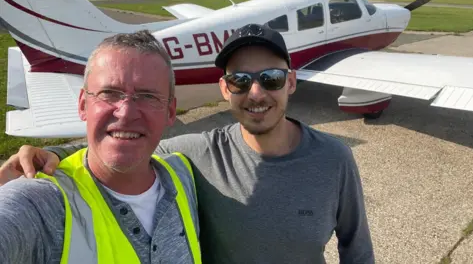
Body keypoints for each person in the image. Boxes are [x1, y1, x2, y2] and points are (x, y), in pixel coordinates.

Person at [0, 23, 374, 263]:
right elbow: (124, 146)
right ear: (225, 89)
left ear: (291, 82)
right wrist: (54, 154)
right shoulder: (194, 154)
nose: (256, 92)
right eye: (241, 80)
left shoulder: (334, 158)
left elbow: (357, 250)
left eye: (272, 78)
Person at [0, 30, 201, 263]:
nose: (126, 113)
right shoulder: (40, 203)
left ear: (170, 111)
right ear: (83, 105)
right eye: (110, 93)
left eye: (147, 96)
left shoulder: (183, 172)